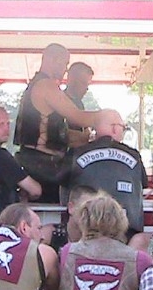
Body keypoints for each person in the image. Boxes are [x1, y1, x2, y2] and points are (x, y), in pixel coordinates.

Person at [13, 43, 101, 203]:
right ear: (52, 59)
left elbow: (55, 132)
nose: (65, 69)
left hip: (33, 162)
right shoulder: (46, 86)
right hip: (43, 166)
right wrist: (106, 118)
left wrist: (86, 138)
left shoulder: (34, 85)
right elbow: (77, 116)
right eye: (64, 63)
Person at [62, 109, 148, 238]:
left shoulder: (76, 154)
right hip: (127, 234)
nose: (123, 132)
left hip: (85, 232)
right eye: (123, 128)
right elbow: (144, 184)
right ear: (114, 128)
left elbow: (60, 181)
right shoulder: (134, 156)